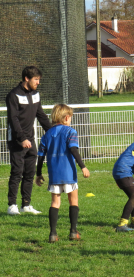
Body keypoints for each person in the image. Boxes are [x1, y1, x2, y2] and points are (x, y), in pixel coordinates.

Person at [35, 104, 90, 243]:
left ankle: (53, 234)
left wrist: (39, 173)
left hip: (54, 174)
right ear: (66, 118)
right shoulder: (70, 132)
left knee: (55, 202)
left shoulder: (47, 134)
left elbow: (40, 156)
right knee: (73, 201)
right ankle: (73, 231)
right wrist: (83, 166)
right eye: (70, 117)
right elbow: (73, 150)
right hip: (68, 173)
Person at [6, 66, 52, 215]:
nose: (38, 82)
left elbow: (41, 115)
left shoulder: (36, 94)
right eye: (36, 79)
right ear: (27, 78)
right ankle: (11, 205)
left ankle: (26, 205)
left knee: (29, 172)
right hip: (17, 139)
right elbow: (13, 120)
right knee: (17, 172)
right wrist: (22, 138)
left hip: (30, 139)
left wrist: (52, 133)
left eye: (39, 79)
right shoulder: (14, 95)